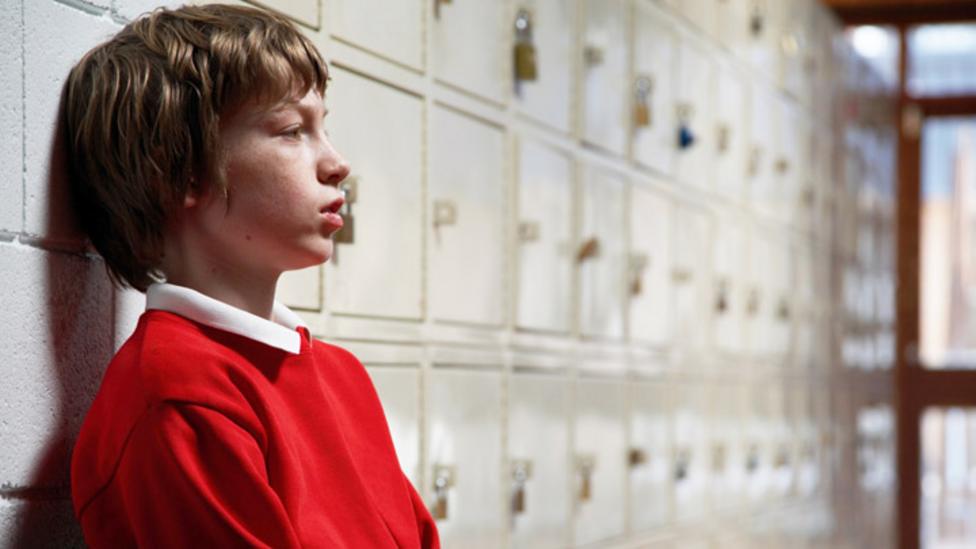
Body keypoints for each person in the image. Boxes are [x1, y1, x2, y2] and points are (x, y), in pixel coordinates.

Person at [62, 4, 439, 547]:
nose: (337, 163)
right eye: (291, 131)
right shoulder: (176, 399)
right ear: (181, 171)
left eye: (323, 127)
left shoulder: (341, 375)